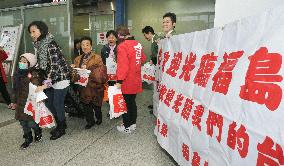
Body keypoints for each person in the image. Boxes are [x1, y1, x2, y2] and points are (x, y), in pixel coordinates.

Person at [28, 21, 70, 140]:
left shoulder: (50, 44)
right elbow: (42, 63)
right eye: (30, 32)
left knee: (57, 104)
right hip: (49, 79)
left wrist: (46, 84)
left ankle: (61, 128)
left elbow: (54, 65)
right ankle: (61, 123)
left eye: (34, 31)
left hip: (60, 78)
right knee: (50, 103)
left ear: (41, 30)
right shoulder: (39, 44)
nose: (32, 34)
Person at [116, 25, 146, 134]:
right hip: (136, 79)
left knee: (125, 104)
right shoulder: (138, 44)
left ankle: (127, 126)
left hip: (127, 81)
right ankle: (133, 124)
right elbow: (143, 58)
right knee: (132, 103)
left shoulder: (122, 46)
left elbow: (123, 66)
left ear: (119, 36)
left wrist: (119, 81)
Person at [72, 36, 107, 129]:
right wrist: (74, 71)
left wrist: (88, 71)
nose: (85, 46)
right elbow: (74, 76)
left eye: (87, 44)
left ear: (91, 46)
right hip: (83, 87)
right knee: (86, 105)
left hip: (94, 86)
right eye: (83, 45)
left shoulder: (97, 58)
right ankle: (90, 121)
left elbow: (101, 72)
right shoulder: (77, 59)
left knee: (96, 105)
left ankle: (99, 118)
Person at [14, 53, 45, 149]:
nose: (21, 63)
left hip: (30, 104)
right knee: (23, 123)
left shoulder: (33, 74)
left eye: (24, 61)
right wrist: (13, 101)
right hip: (20, 103)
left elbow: (36, 85)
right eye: (21, 61)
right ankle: (28, 138)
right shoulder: (18, 73)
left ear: (30, 64)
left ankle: (38, 130)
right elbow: (14, 89)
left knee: (31, 123)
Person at [142, 26, 163, 114]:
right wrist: (151, 60)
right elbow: (154, 54)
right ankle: (155, 105)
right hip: (155, 66)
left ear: (149, 33)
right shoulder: (154, 39)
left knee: (157, 88)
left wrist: (153, 60)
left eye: (145, 35)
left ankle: (157, 107)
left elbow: (160, 53)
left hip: (159, 67)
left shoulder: (157, 39)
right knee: (155, 87)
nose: (145, 37)